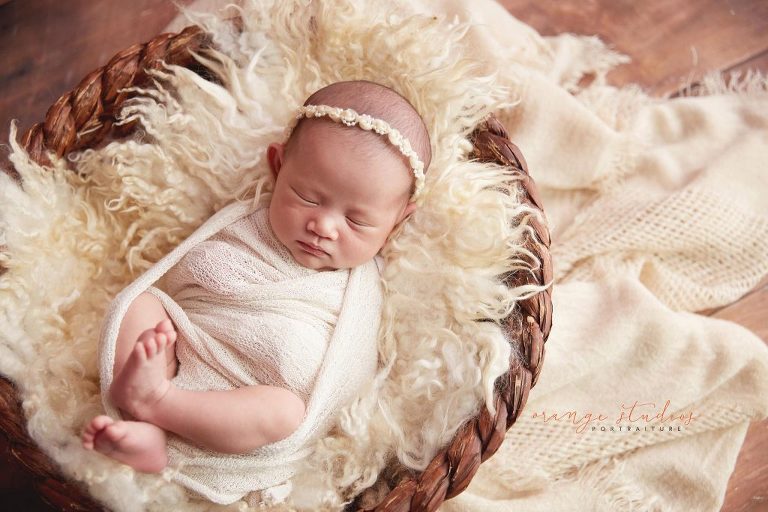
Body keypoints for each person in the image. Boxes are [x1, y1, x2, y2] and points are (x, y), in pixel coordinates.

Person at [80, 80, 432, 477]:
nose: (323, 226)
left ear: (398, 220)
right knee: (143, 304)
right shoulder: (247, 224)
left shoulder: (367, 292)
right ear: (278, 166)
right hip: (187, 352)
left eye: (356, 220)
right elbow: (193, 277)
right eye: (308, 197)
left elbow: (348, 374)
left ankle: (157, 405)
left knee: (286, 412)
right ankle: (145, 431)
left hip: (249, 403)